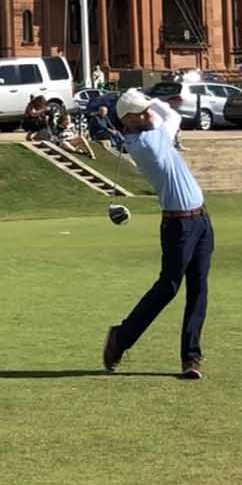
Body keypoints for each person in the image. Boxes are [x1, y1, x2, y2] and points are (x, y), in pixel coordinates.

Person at [101, 88, 213, 381]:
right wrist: (157, 102)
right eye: (142, 112)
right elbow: (173, 115)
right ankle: (121, 338)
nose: (148, 113)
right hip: (178, 226)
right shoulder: (146, 142)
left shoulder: (148, 130)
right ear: (129, 121)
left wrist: (147, 100)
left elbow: (163, 115)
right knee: (168, 287)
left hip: (200, 219)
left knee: (198, 288)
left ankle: (191, 358)